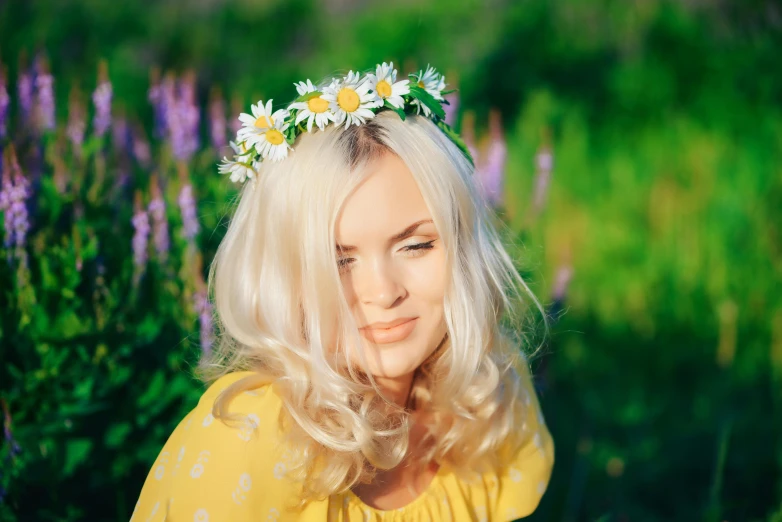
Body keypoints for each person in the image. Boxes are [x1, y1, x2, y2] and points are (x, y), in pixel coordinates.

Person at [131, 63, 554, 521]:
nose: (383, 292)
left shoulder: (488, 390)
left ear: (464, 246)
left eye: (415, 245)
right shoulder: (245, 438)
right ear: (282, 278)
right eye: (339, 261)